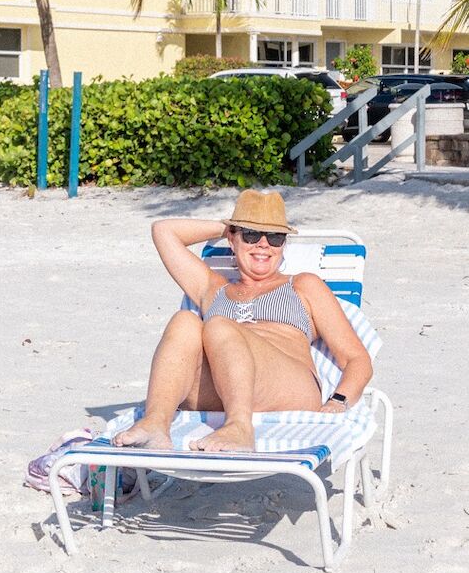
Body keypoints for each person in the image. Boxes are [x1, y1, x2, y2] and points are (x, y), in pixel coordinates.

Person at [111, 189, 372, 453]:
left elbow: (356, 358)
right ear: (233, 239)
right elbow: (163, 231)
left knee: (217, 325)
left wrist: (339, 400)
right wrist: (226, 228)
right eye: (251, 235)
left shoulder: (303, 285)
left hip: (288, 384)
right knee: (184, 321)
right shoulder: (213, 288)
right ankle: (156, 423)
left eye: (275, 237)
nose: (263, 245)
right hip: (221, 387)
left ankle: (239, 428)